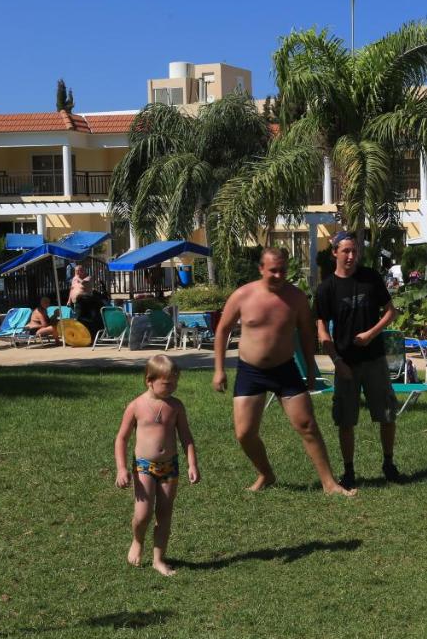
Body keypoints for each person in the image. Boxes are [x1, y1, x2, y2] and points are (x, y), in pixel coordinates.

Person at [213, 248, 354, 495]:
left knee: (307, 425)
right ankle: (266, 474)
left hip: (285, 370)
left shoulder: (296, 298)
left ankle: (329, 483)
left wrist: (311, 369)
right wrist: (219, 370)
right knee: (244, 433)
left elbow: (307, 334)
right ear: (261, 269)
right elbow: (222, 330)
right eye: (273, 271)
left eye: (283, 270)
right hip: (251, 371)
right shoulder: (243, 295)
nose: (279, 275)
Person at [314, 232, 401, 489]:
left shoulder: (370, 278)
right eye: (346, 251)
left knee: (387, 414)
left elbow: (390, 312)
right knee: (345, 419)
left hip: (374, 359)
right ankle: (349, 471)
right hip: (346, 363)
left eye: (354, 251)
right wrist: (336, 361)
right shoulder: (327, 288)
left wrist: (371, 334)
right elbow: (322, 329)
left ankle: (388, 463)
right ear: (335, 253)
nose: (351, 256)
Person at [113, 354, 200, 576]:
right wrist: (121, 468)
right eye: (167, 383)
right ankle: (137, 540)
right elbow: (121, 438)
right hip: (144, 466)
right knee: (143, 515)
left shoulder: (176, 406)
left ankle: (158, 559)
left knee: (164, 514)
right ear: (149, 381)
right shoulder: (136, 406)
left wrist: (192, 464)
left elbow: (186, 437)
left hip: (170, 466)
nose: (172, 387)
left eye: (175, 383)